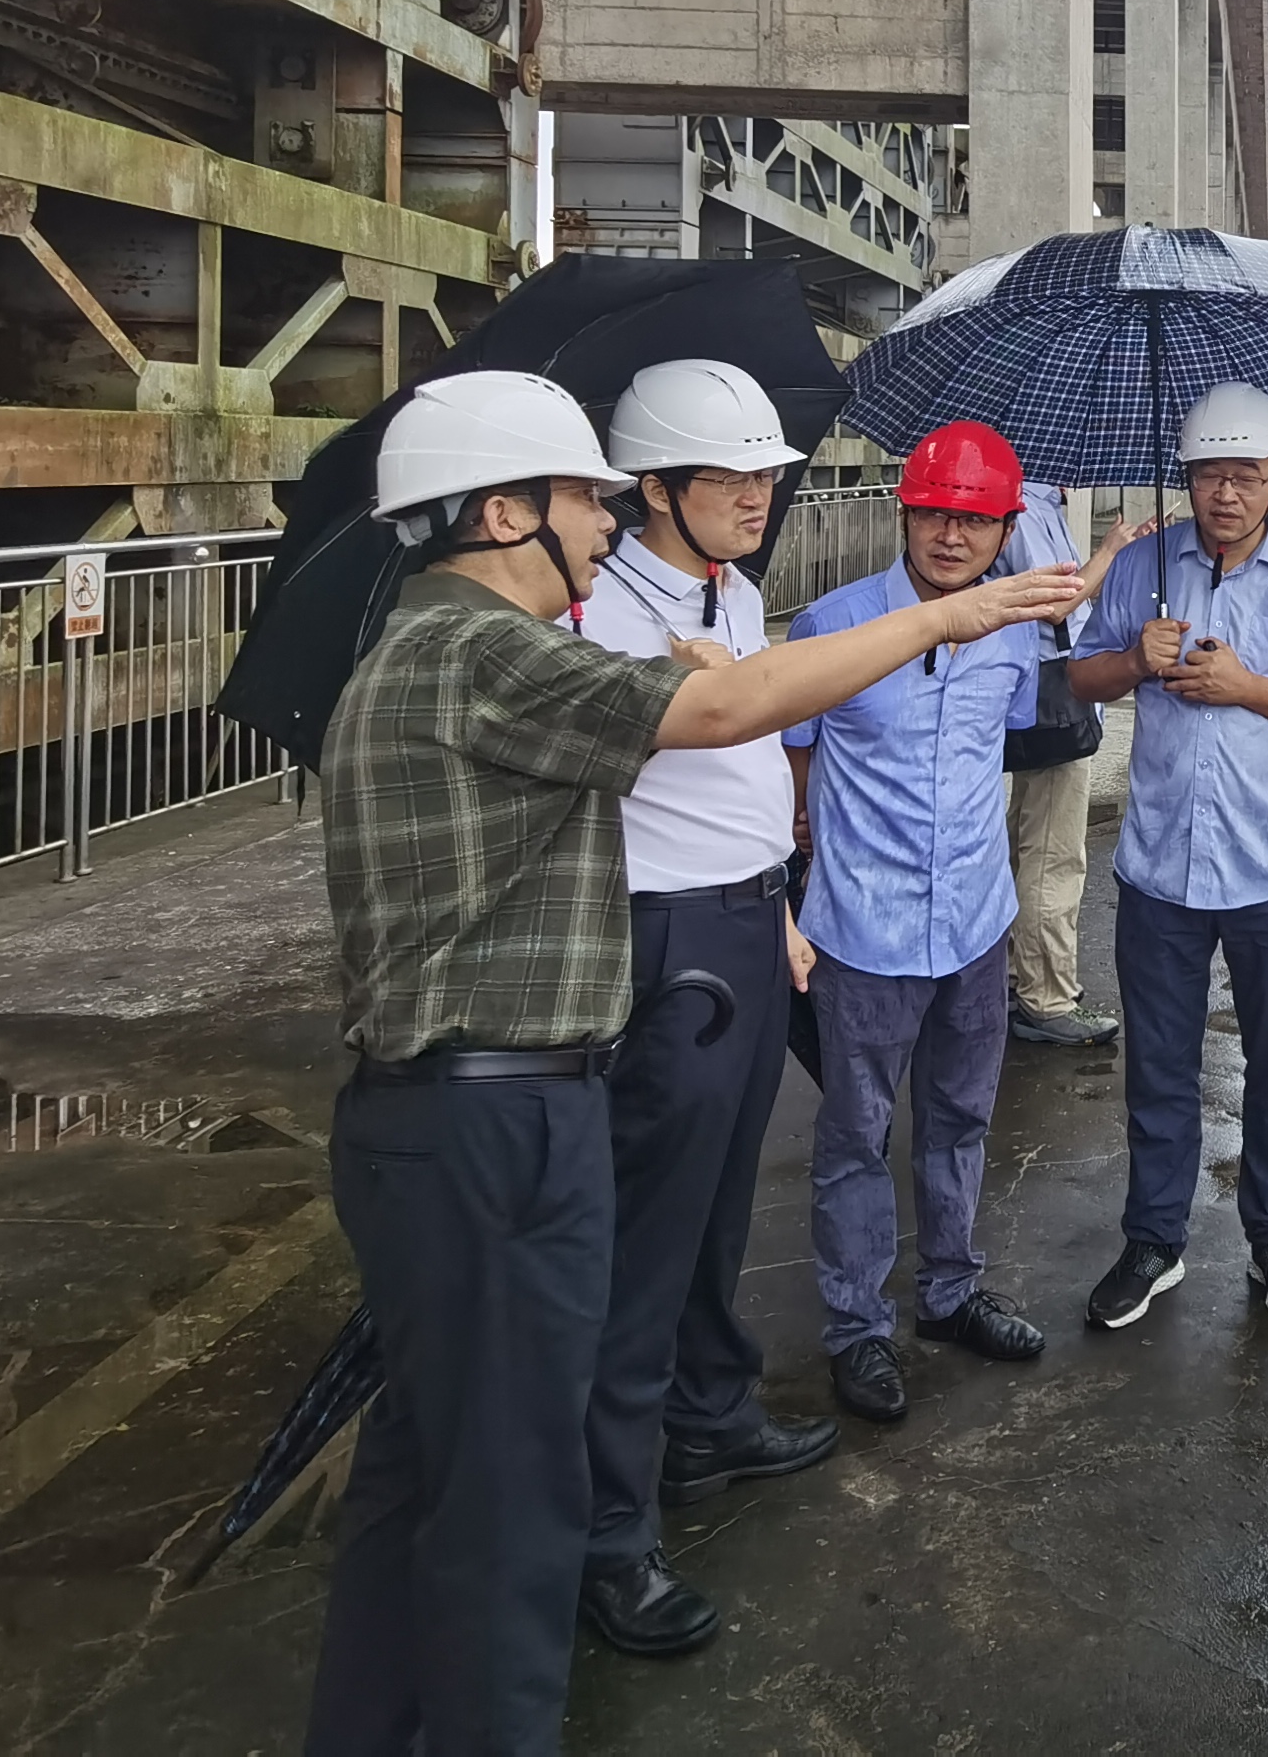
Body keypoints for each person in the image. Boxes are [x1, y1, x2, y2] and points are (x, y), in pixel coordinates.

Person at [305, 371, 1083, 1757]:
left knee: (444, 1458)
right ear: (502, 512)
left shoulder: (491, 640)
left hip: (535, 1058)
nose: (601, 524)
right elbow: (728, 722)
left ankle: (392, 1714)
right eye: (581, 500)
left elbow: (714, 737)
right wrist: (950, 616)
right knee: (510, 1478)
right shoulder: (484, 652)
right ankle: (551, 1633)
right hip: (496, 1101)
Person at [784, 421, 1135, 1420]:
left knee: (960, 1118)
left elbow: (1010, 736)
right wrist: (801, 870)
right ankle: (857, 1329)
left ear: (1004, 529)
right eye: (935, 512)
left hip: (977, 925)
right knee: (855, 1134)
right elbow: (795, 759)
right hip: (863, 929)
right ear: (906, 512)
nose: (951, 536)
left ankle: (949, 1291)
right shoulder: (833, 627)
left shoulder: (1016, 634)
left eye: (975, 520)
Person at [569, 360, 832, 1662]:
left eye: (764, 473)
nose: (757, 494)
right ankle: (609, 1539)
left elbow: (742, 762)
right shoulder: (597, 611)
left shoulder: (729, 587)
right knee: (648, 1236)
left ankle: (711, 1416)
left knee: (724, 1200)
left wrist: (775, 903)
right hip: (662, 933)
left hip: (744, 919)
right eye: (730, 476)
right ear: (656, 489)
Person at [1065, 382, 1268, 1334]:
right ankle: (1154, 1241)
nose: (1226, 493)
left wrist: (1246, 684)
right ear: (1187, 478)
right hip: (1159, 867)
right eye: (1208, 474)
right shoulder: (1142, 568)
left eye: (1246, 474)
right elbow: (1080, 677)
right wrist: (1135, 661)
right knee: (1158, 1065)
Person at [1001, 472, 1119, 1047]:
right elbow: (1054, 605)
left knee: (1024, 839)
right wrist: (1111, 550)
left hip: (1039, 695)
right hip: (1048, 698)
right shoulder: (1025, 508)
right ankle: (1046, 999)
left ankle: (1014, 973)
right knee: (1053, 854)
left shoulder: (1042, 503)